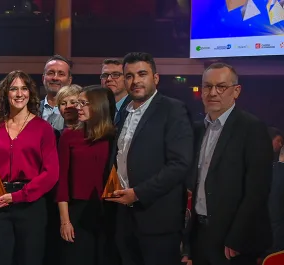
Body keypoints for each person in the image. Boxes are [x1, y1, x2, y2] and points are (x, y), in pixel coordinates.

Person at [108, 52, 194, 265]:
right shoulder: (124, 113)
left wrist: (137, 194)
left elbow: (180, 164)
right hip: (124, 218)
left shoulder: (172, 109)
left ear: (155, 78)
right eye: (129, 76)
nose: (135, 81)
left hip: (158, 220)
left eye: (142, 74)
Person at [184, 63, 271, 265]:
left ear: (236, 91)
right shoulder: (198, 129)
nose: (213, 93)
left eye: (221, 87)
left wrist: (237, 238)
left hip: (233, 239)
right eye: (207, 86)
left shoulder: (252, 128)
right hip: (201, 234)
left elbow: (257, 190)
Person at [0, 70, 58, 265]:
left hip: (31, 204)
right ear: (5, 93)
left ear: (30, 93)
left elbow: (51, 173)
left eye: (24, 88)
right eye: (14, 89)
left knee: (29, 259)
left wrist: (18, 196)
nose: (19, 94)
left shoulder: (43, 128)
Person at [55, 85, 116, 265]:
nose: (78, 108)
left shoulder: (113, 136)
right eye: (79, 102)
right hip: (77, 211)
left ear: (99, 106)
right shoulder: (69, 135)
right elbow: (62, 181)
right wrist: (65, 221)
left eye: (84, 103)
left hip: (109, 210)